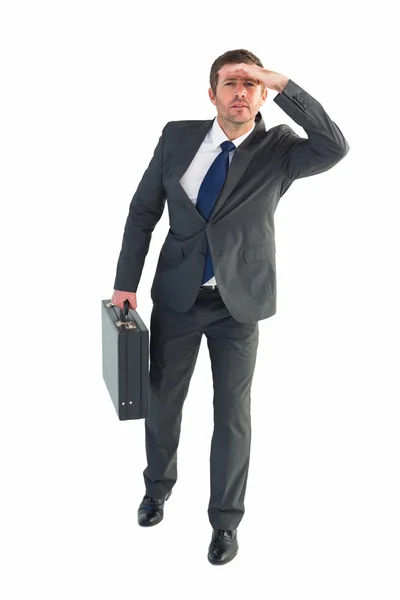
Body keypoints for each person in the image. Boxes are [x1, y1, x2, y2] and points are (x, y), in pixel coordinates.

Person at [111, 48, 349, 565]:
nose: (240, 92)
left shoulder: (281, 148)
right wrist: (124, 283)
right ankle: (157, 490)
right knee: (162, 401)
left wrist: (284, 82)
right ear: (212, 93)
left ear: (263, 94)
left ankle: (225, 522)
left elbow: (335, 146)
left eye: (251, 84)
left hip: (237, 305)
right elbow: (143, 209)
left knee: (233, 415)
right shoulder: (177, 137)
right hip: (176, 295)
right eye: (230, 83)